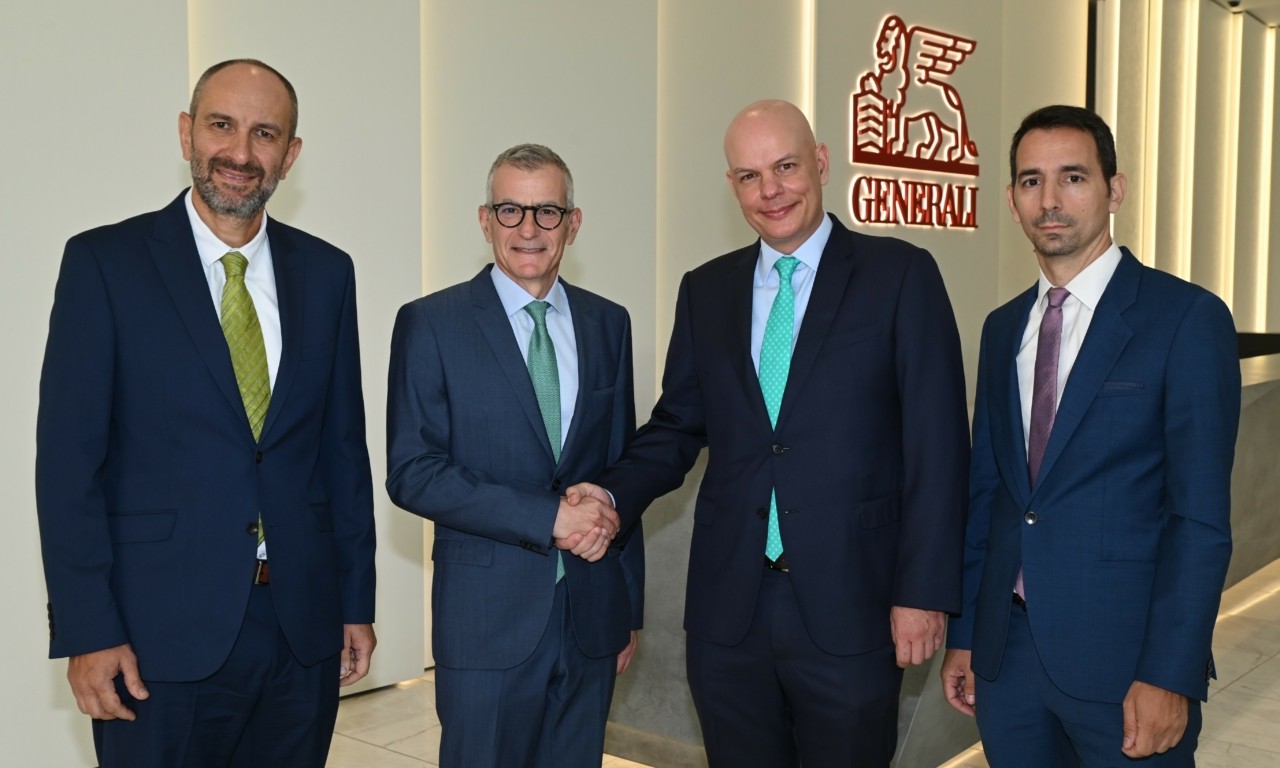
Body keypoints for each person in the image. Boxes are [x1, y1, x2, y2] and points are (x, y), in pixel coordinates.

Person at [570, 99, 969, 767]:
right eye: (750, 176)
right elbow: (677, 426)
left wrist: (924, 593)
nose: (771, 191)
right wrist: (610, 496)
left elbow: (940, 447)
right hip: (730, 612)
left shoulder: (900, 275)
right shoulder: (706, 290)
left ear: (821, 163)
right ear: (732, 186)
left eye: (785, 166)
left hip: (855, 604)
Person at [35, 59, 377, 767]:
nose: (240, 153)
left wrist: (354, 603)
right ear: (187, 132)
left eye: (264, 134)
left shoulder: (327, 272)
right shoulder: (106, 263)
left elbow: (343, 451)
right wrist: (89, 629)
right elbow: (69, 466)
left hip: (300, 631)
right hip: (154, 638)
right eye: (222, 125)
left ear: (291, 153)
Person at [940, 105, 1240, 766]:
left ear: (1114, 190)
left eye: (1073, 177)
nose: (1050, 200)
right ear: (1012, 200)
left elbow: (1199, 521)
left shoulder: (1185, 318)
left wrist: (1170, 673)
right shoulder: (1001, 328)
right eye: (1031, 181)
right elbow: (989, 497)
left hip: (1127, 665)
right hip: (1007, 661)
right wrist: (966, 632)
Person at [385, 143, 644, 768]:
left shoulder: (609, 323)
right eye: (510, 210)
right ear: (485, 220)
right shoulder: (431, 323)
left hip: (590, 617)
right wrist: (548, 516)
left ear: (573, 224)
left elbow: (622, 469)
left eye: (547, 211)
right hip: (485, 622)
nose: (529, 229)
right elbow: (413, 472)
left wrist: (626, 610)